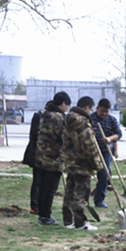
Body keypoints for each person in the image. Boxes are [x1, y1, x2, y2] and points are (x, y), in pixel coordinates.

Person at [62, 96, 103, 231]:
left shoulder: (68, 120)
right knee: (81, 194)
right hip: (82, 164)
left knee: (70, 191)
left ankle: (68, 220)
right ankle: (80, 223)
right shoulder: (83, 123)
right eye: (91, 109)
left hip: (70, 162)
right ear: (86, 107)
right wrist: (97, 164)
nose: (91, 112)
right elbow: (89, 145)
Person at [35, 92, 71, 226]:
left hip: (41, 156)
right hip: (54, 158)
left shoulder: (45, 115)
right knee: (50, 189)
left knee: (42, 187)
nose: (67, 108)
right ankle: (46, 216)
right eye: (67, 105)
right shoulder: (60, 118)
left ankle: (41, 215)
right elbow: (64, 137)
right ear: (62, 104)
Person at [91, 98, 122, 208]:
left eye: (106, 111)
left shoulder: (112, 120)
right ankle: (83, 199)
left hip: (105, 152)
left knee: (104, 176)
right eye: (102, 111)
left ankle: (99, 200)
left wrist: (109, 139)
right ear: (97, 108)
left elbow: (118, 134)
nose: (104, 113)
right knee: (84, 175)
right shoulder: (90, 119)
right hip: (91, 151)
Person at [22, 101, 51, 215]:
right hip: (37, 154)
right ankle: (34, 206)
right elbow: (35, 135)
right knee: (38, 181)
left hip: (44, 155)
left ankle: (40, 205)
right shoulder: (40, 117)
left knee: (42, 181)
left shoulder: (46, 117)